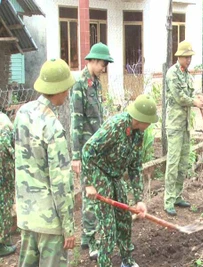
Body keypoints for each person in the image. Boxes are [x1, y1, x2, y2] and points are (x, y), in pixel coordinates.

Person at [82, 94, 158, 267]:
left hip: (115, 175)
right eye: (149, 121)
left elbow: (135, 166)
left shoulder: (138, 133)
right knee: (108, 227)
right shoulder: (114, 127)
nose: (150, 124)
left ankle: (127, 260)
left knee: (124, 220)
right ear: (140, 119)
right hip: (99, 172)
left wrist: (139, 199)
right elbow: (87, 150)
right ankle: (104, 263)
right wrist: (89, 183)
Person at [14, 59, 76, 266]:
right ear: (58, 89)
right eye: (66, 89)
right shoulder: (53, 127)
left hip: (27, 216)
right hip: (49, 221)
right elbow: (60, 183)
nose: (67, 93)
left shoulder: (22, 113)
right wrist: (68, 227)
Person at [70, 42, 114, 258]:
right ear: (93, 61)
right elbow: (76, 121)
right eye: (102, 64)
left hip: (97, 147)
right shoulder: (79, 84)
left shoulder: (95, 83)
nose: (104, 68)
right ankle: (93, 241)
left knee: (94, 191)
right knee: (91, 193)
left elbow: (100, 116)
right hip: (86, 149)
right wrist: (76, 156)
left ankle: (87, 238)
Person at [163, 40, 203, 216]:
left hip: (186, 124)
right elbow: (180, 97)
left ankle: (178, 195)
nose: (188, 60)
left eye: (190, 57)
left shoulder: (188, 75)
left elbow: (190, 93)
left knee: (183, 161)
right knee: (173, 162)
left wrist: (197, 97)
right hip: (174, 125)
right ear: (179, 57)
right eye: (186, 57)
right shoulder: (172, 74)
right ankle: (168, 201)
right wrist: (193, 101)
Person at [0, 111, 16, 257]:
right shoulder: (4, 123)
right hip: (3, 170)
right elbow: (5, 144)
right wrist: (17, 158)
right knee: (4, 204)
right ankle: (2, 243)